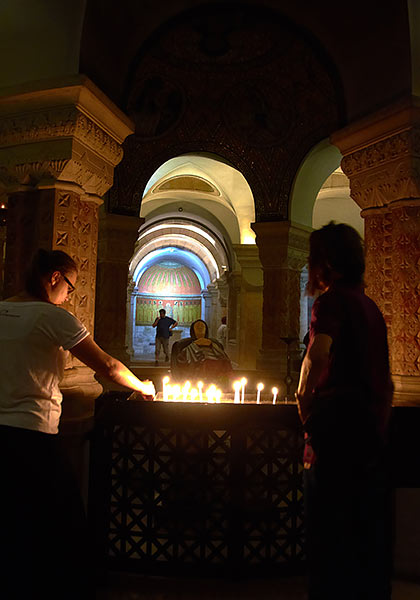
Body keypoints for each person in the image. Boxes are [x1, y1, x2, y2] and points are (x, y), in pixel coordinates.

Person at [0, 249, 155, 600]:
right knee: (61, 516)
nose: (70, 294)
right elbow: (109, 366)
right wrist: (143, 387)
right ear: (54, 277)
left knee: (9, 516)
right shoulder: (52, 316)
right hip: (32, 433)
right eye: (70, 285)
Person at [295, 222, 393, 600]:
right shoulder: (369, 306)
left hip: (336, 432)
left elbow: (318, 353)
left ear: (328, 264)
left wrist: (304, 403)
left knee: (328, 532)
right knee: (363, 532)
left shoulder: (332, 301)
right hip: (370, 433)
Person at [171, 319, 233, 388]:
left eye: (202, 327)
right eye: (197, 327)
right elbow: (181, 360)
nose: (200, 328)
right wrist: (195, 344)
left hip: (212, 377)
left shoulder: (215, 344)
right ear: (193, 330)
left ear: (206, 329)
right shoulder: (183, 345)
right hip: (193, 377)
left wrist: (211, 345)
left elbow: (224, 359)